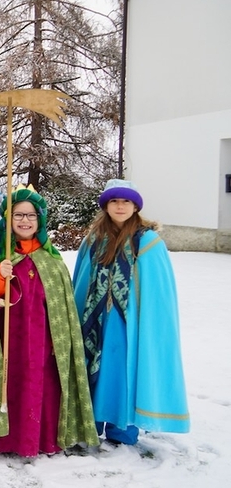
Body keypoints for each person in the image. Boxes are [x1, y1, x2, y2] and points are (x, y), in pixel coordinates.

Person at [0, 186, 99, 457]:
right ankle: (5, 441)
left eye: (31, 215)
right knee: (9, 384)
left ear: (40, 220)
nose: (25, 221)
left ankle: (42, 438)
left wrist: (57, 340)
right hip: (6, 340)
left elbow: (62, 307)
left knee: (42, 385)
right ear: (8, 219)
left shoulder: (53, 261)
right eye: (18, 215)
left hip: (44, 340)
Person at [72, 179, 189, 445]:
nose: (120, 206)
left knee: (122, 371)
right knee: (92, 366)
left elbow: (159, 292)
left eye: (126, 201)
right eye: (114, 201)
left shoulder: (147, 241)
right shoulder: (93, 240)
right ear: (106, 206)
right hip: (93, 319)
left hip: (129, 323)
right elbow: (80, 281)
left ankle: (121, 429)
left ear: (136, 206)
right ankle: (89, 423)